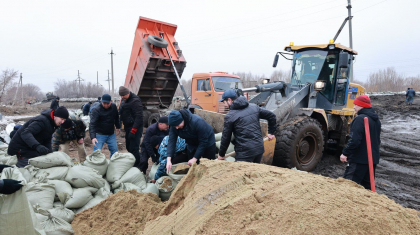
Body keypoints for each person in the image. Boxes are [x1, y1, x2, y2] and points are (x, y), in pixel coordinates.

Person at [217, 90, 276, 163]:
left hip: (244, 153)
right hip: (259, 149)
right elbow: (272, 116)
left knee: (240, 173)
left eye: (224, 102)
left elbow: (226, 138)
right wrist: (271, 132)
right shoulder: (254, 107)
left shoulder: (230, 116)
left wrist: (221, 154)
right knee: (253, 172)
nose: (224, 105)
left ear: (229, 100)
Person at [340, 95, 381, 190]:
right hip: (371, 160)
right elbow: (377, 140)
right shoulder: (376, 120)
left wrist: (345, 153)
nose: (354, 107)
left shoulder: (360, 119)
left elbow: (354, 140)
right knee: (367, 188)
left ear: (362, 106)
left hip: (359, 159)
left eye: (356, 105)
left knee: (348, 186)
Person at [118, 86, 144, 169]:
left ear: (128, 93)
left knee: (134, 148)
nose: (122, 97)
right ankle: (133, 163)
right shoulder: (124, 101)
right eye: (121, 96)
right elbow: (121, 112)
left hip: (135, 128)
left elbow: (139, 117)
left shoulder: (135, 101)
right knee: (128, 147)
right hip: (128, 127)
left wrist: (133, 130)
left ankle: (138, 166)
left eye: (123, 96)